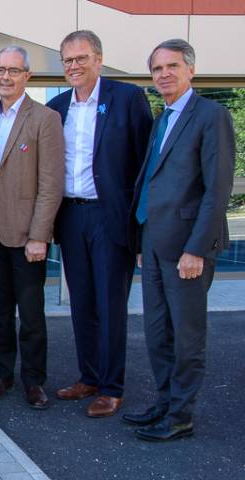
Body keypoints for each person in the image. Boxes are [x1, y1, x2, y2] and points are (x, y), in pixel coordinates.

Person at [124, 39, 234, 442]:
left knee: (187, 336)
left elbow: (217, 189)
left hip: (187, 246)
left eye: (172, 66)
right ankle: (165, 402)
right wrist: (141, 242)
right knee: (157, 332)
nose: (164, 74)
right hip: (154, 241)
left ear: (191, 69)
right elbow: (151, 182)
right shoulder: (162, 119)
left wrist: (196, 249)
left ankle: (181, 416)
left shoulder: (211, 115)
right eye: (157, 69)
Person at [47, 30, 153, 417]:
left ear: (99, 59)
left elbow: (145, 165)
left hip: (109, 217)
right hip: (70, 215)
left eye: (81, 58)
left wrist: (140, 228)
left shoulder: (127, 98)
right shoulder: (57, 107)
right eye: (68, 60)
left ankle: (111, 387)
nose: (74, 66)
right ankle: (88, 376)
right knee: (82, 303)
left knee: (110, 304)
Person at [0, 46, 65, 410]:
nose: (6, 77)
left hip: (27, 234)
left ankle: (33, 380)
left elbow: (51, 183)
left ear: (27, 75)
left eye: (14, 70)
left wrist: (39, 236)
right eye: (0, 69)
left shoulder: (45, 118)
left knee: (30, 313)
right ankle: (3, 374)